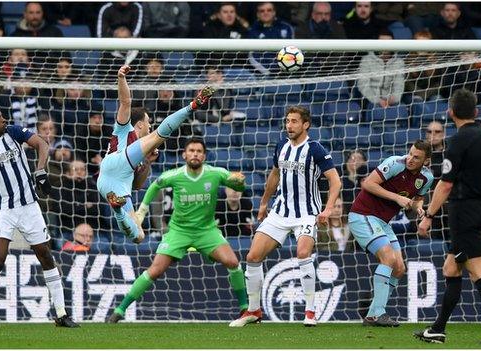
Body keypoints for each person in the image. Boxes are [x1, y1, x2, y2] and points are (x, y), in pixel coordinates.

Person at [414, 89, 481, 345]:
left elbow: (445, 185)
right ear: (477, 112)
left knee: (479, 272)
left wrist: (428, 215)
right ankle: (438, 329)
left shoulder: (457, 142)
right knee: (451, 268)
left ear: (450, 113)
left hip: (463, 215)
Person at [105, 138, 249, 322]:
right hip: (179, 231)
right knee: (155, 270)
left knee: (233, 262)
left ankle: (245, 309)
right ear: (184, 154)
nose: (195, 153)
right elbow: (156, 184)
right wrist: (141, 211)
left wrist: (240, 183)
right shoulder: (175, 175)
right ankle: (120, 310)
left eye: (199, 151)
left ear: (204, 156)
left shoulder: (216, 173)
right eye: (191, 150)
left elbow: (238, 185)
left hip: (207, 231)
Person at [229, 106, 342, 327]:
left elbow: (335, 181)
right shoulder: (281, 145)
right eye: (287, 121)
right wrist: (263, 203)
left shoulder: (316, 149)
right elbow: (274, 174)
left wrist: (327, 209)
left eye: (294, 121)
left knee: (302, 253)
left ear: (305, 124)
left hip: (307, 213)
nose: (289, 125)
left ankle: (310, 312)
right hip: (280, 211)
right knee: (252, 257)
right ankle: (253, 311)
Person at [0, 106, 79, 328]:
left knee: (45, 255)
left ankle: (61, 313)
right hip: (3, 209)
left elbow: (41, 143)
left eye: (1, 115)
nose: (3, 119)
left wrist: (39, 170)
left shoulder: (14, 131)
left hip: (29, 206)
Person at [95, 65, 215, 244]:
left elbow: (136, 186)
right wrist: (121, 78)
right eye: (148, 122)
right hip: (116, 163)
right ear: (140, 124)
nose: (149, 125)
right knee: (160, 135)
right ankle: (193, 105)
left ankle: (118, 211)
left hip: (111, 185)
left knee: (138, 236)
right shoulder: (124, 128)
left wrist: (148, 163)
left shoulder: (140, 155)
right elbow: (126, 101)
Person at [348, 140, 434, 327]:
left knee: (399, 268)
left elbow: (417, 200)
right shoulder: (395, 163)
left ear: (426, 161)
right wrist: (397, 198)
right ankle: (378, 313)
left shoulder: (427, 178)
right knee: (388, 257)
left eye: (416, 157)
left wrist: (419, 209)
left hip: (382, 222)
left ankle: (372, 314)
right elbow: (368, 184)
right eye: (410, 153)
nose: (410, 159)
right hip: (362, 215)